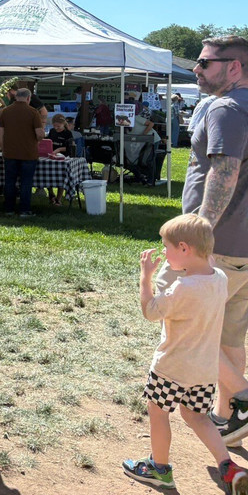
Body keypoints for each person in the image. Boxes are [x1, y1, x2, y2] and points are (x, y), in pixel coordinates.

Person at [123, 215, 248, 493]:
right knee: (197, 417)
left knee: (158, 412)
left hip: (171, 368)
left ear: (184, 249)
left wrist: (146, 277)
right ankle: (228, 467)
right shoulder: (220, 278)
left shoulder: (182, 288)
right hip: (203, 372)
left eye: (166, 247)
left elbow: (150, 311)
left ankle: (159, 469)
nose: (164, 254)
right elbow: (208, 264)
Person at [166, 37, 248, 446]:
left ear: (234, 67)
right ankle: (229, 418)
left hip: (218, 245)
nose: (196, 69)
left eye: (204, 62)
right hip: (242, 247)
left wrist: (199, 236)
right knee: (229, 335)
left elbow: (224, 172)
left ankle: (245, 398)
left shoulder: (227, 107)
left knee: (187, 329)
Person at [0, 87, 43, 217]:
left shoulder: (5, 111)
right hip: (29, 153)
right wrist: (38, 139)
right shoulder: (33, 112)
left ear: (15, 97)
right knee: (26, 182)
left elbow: (0, 133)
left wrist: (3, 148)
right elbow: (39, 134)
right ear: (28, 98)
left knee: (9, 182)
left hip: (10, 153)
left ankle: (9, 209)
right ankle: (24, 210)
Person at [47, 113, 75, 205]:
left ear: (63, 124)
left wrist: (59, 149)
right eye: (54, 126)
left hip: (63, 158)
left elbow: (70, 147)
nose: (56, 128)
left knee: (61, 177)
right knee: (48, 175)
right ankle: (51, 193)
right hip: (52, 157)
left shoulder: (68, 133)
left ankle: (58, 199)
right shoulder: (52, 131)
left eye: (58, 126)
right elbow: (48, 143)